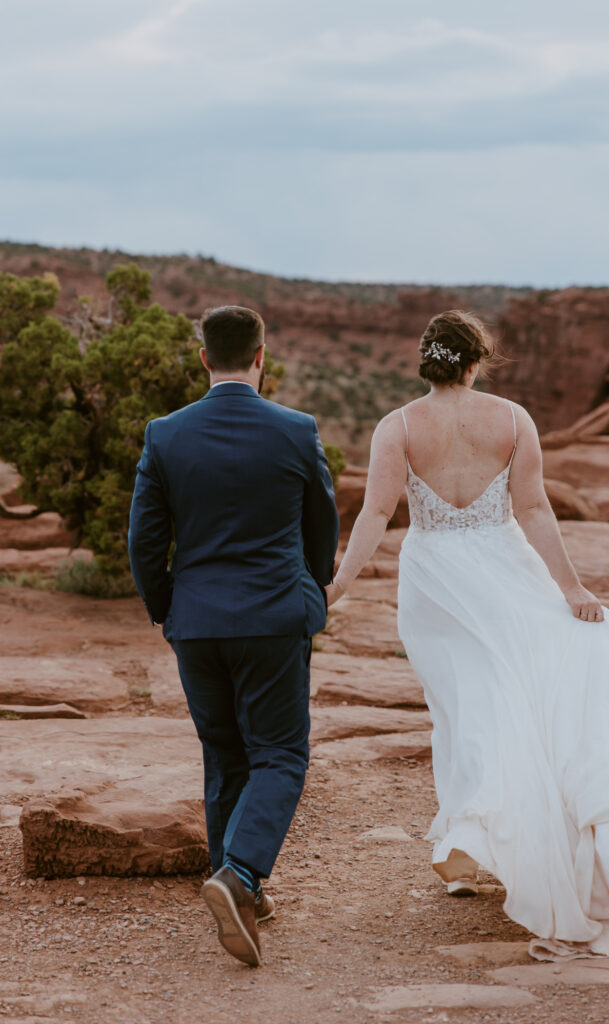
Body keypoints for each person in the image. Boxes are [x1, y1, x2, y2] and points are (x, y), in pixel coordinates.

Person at [327, 309, 609, 962]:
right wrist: (570, 589)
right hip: (505, 568)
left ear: (426, 361)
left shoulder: (397, 426)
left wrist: (339, 585)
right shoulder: (512, 419)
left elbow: (377, 511)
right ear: (476, 360)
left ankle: (468, 848)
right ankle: (477, 842)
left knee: (463, 708)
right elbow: (533, 508)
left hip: (433, 579)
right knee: (516, 699)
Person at [129, 305, 339, 967]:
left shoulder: (164, 434)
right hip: (275, 617)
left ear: (202, 359)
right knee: (279, 754)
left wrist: (169, 610)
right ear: (261, 357)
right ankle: (240, 873)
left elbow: (144, 541)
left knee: (224, 753)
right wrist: (311, 591)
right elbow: (321, 529)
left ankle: (238, 886)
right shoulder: (296, 430)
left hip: (196, 621)